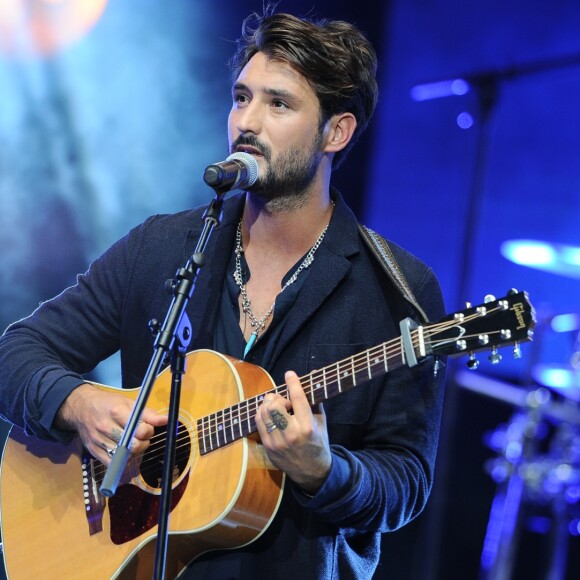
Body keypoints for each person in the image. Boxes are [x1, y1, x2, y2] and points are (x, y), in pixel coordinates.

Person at [0, 9, 447, 579]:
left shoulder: (396, 292)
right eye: (241, 97)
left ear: (336, 132)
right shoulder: (164, 248)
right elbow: (15, 353)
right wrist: (78, 403)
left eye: (278, 104)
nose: (247, 122)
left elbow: (407, 480)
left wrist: (323, 470)